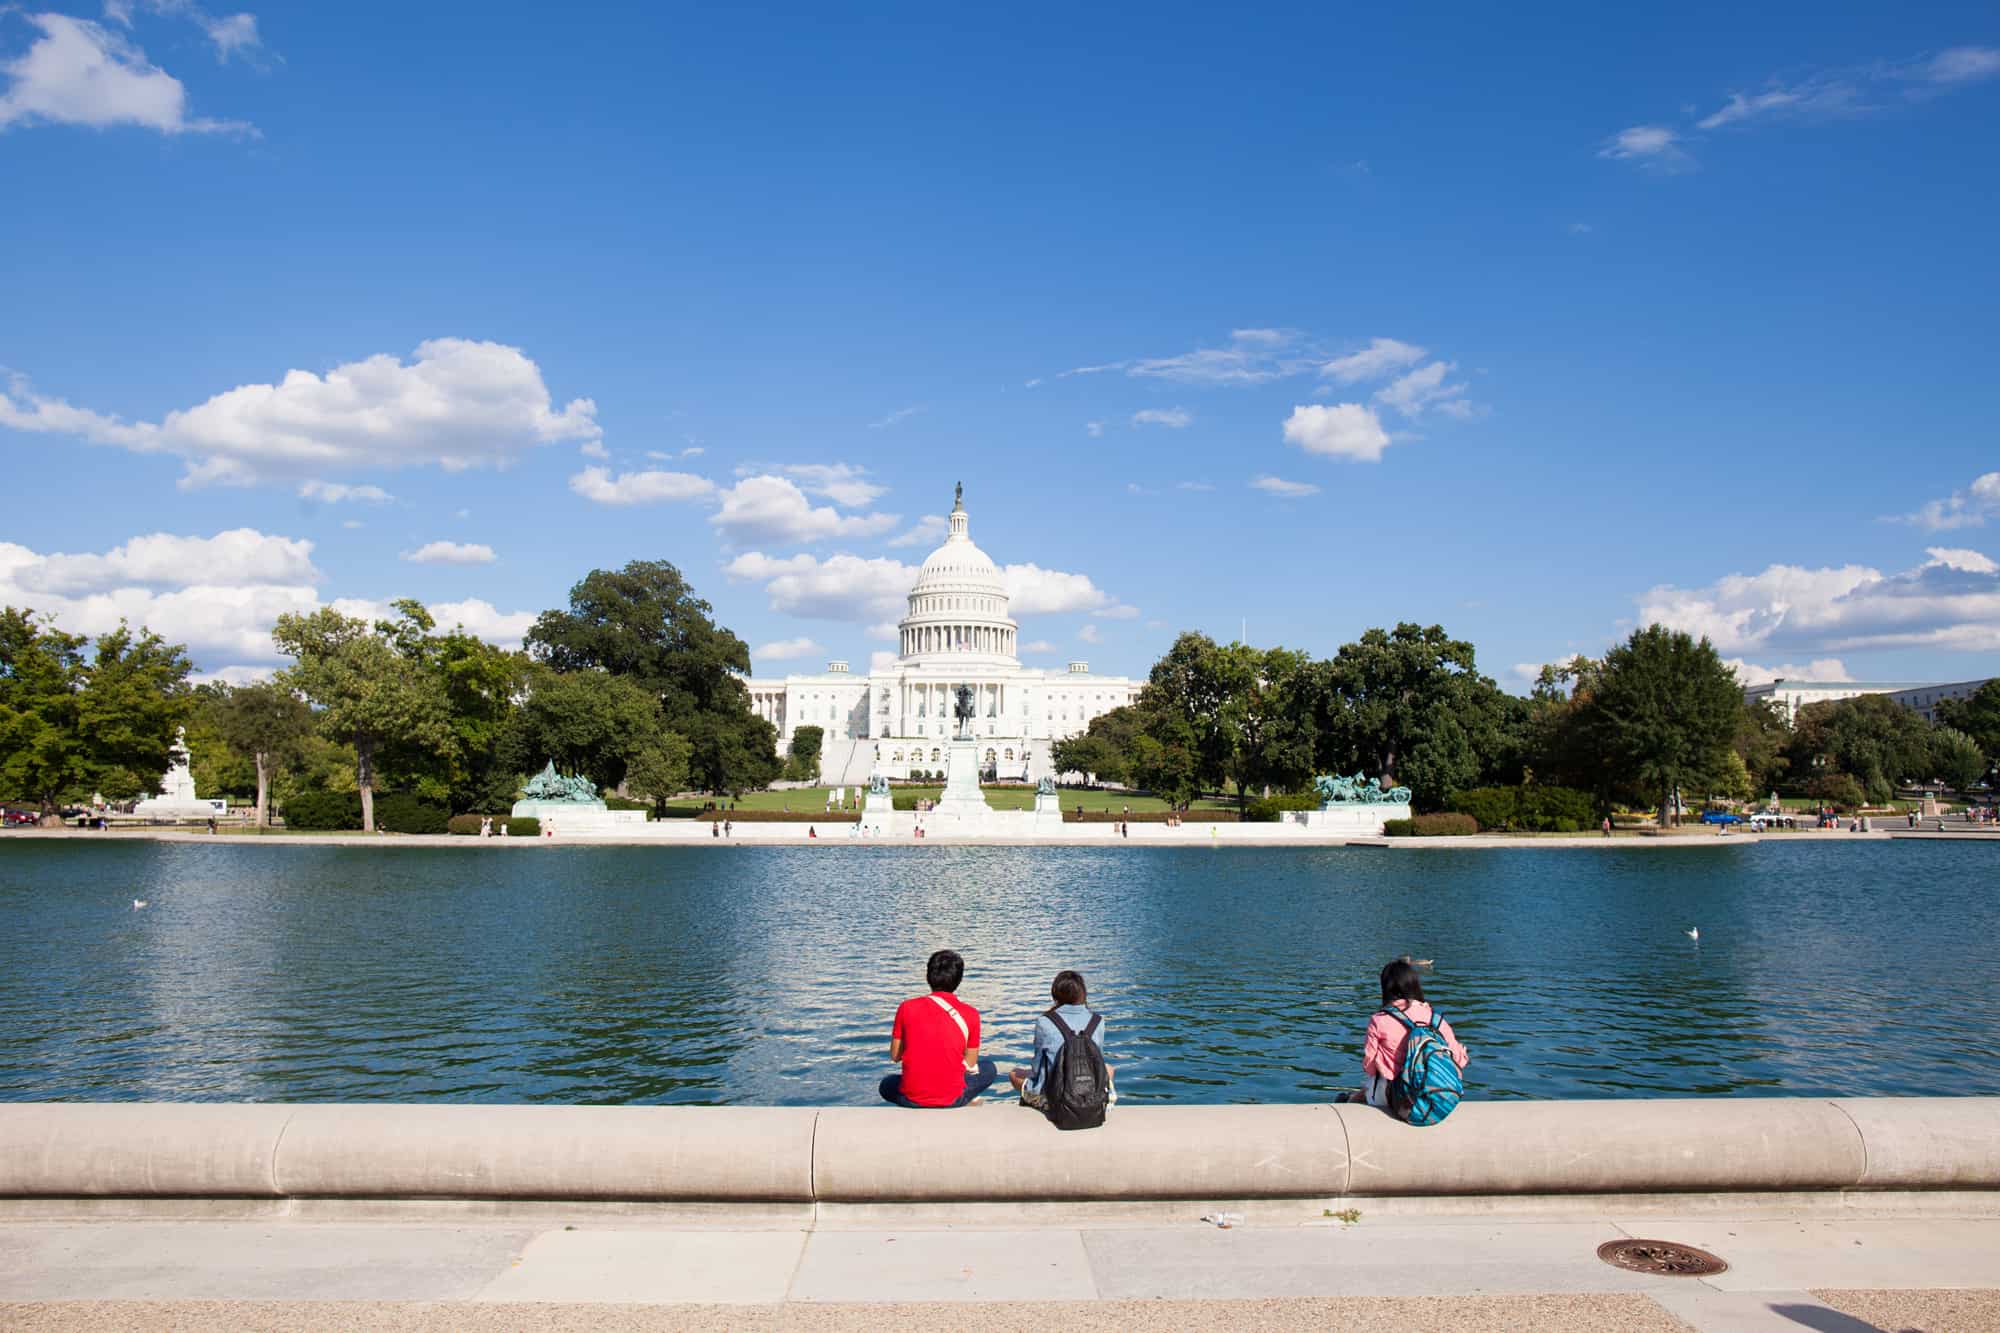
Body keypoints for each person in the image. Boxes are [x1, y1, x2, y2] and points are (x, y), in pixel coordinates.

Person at [1338, 958, 1469, 1120]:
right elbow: (1459, 1061)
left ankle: (1348, 1100)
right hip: (1441, 1096)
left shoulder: (1380, 1020)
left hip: (1401, 1098)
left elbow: (1370, 1067)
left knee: (1372, 1085)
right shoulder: (1437, 1020)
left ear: (1386, 989)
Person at [880, 949, 997, 1108]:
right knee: (989, 1068)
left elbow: (895, 1056)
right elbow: (970, 1062)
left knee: (886, 1084)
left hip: (912, 1098)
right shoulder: (971, 1014)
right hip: (952, 1099)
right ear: (959, 980)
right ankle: (963, 1096)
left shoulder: (906, 1008)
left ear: (928, 977)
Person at [1009, 970, 1113, 1118]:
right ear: (1082, 993)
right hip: (1090, 1091)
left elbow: (1037, 1067)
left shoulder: (1045, 1022)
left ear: (1055, 995)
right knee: (1109, 1069)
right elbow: (1098, 1063)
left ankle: (1039, 1103)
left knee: (1014, 1074)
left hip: (1054, 1098)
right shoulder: (1098, 1021)